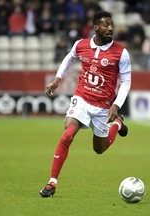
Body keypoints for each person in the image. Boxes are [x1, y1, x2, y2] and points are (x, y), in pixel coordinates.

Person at [40, 11, 132, 198]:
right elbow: (69, 58)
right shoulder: (81, 45)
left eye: (111, 25)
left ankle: (117, 124)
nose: (111, 28)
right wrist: (58, 78)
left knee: (99, 149)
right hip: (82, 98)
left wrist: (116, 105)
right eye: (106, 25)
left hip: (103, 106)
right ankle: (52, 183)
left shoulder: (121, 53)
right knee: (67, 135)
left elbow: (126, 82)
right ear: (96, 27)